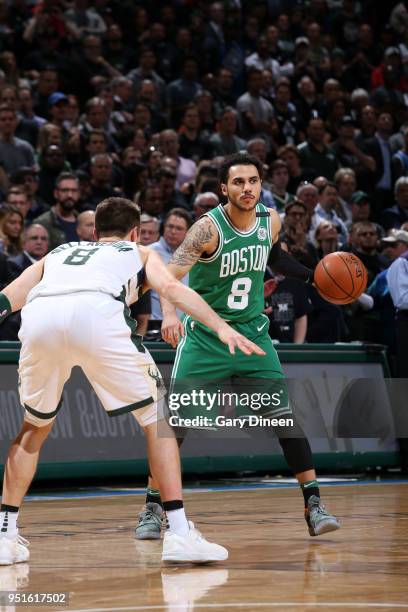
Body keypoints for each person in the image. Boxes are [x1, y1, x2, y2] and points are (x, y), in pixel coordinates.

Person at [0, 196, 264, 566]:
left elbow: (9, 297)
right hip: (98, 315)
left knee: (34, 427)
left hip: (41, 318)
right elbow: (171, 290)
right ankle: (179, 532)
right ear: (135, 232)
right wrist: (220, 326)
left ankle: (5, 536)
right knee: (158, 420)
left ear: (94, 232)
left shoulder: (60, 252)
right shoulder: (140, 252)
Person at [135, 153, 340, 540]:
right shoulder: (206, 230)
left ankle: (314, 503)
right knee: (175, 427)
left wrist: (312, 277)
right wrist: (173, 315)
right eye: (239, 182)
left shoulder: (270, 220)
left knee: (284, 419)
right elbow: (169, 276)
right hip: (205, 338)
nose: (247, 188)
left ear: (261, 185)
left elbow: (273, 255)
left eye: (253, 181)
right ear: (223, 189)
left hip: (252, 335)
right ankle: (151, 507)